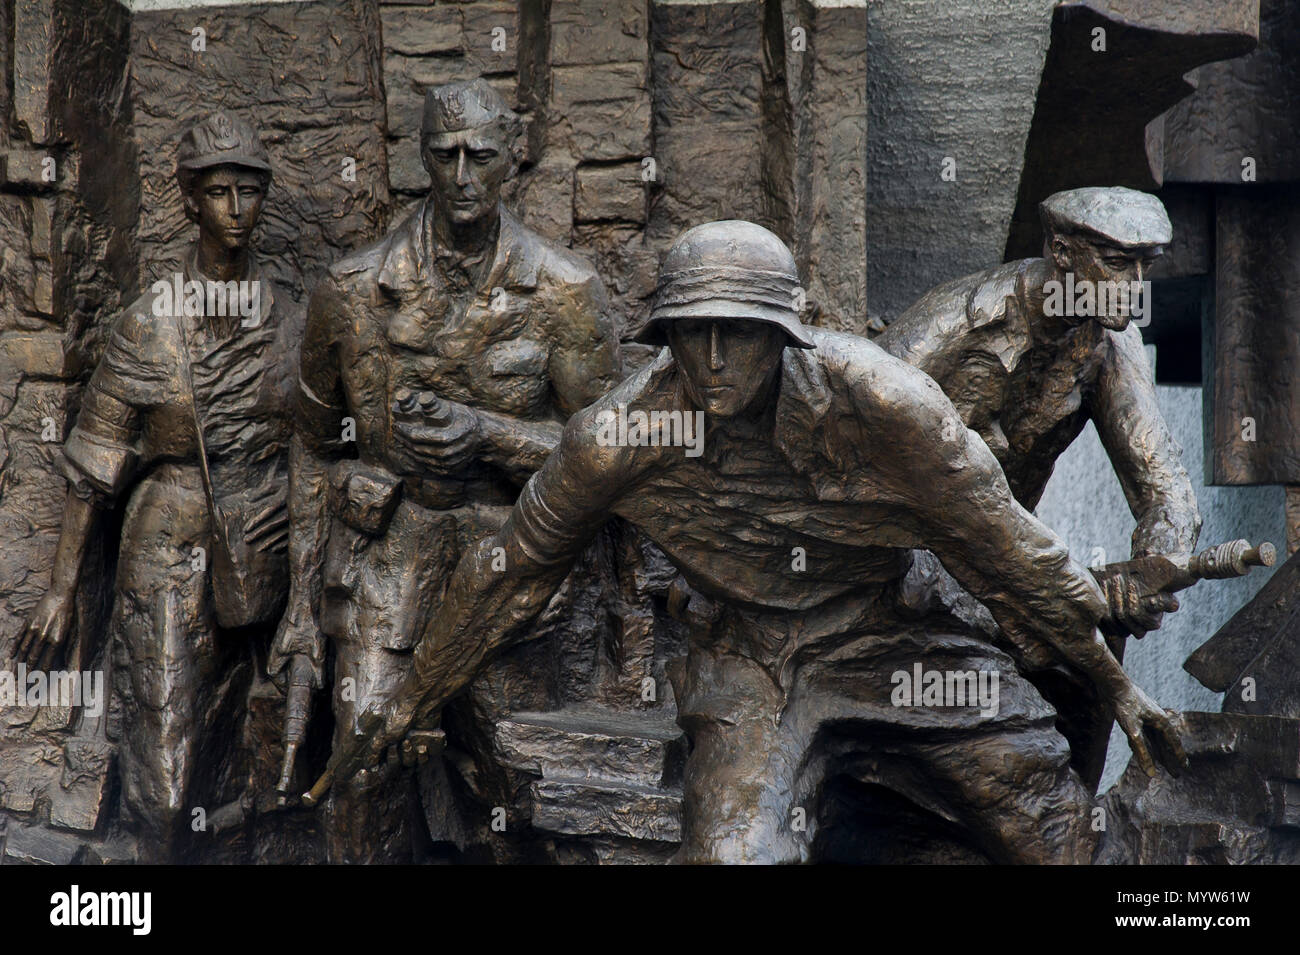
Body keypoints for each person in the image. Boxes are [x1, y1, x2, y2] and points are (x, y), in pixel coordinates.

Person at [311, 220, 1186, 864]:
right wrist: (407, 696)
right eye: (695, 331)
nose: (717, 356)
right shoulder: (617, 436)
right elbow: (512, 569)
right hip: (749, 660)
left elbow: (1007, 546)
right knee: (730, 857)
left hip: (892, 636)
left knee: (1043, 813)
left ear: (787, 333)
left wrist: (1117, 686)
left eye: (741, 331)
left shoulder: (887, 406)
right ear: (667, 337)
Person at [268, 78, 623, 862]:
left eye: (481, 155)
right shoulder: (351, 291)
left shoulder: (566, 293)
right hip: (392, 557)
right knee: (362, 762)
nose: (462, 175)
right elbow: (312, 443)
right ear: (419, 158)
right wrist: (300, 609)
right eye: (444, 153)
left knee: (522, 783)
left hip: (520, 567)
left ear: (513, 160)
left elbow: (609, 456)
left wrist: (489, 435)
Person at [14, 112, 295, 862]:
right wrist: (60, 591)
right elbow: (94, 466)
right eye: (219, 192)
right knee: (166, 775)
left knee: (276, 750)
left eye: (250, 192)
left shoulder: (293, 319)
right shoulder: (148, 328)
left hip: (268, 538)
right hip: (168, 540)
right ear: (189, 201)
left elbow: (322, 443)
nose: (237, 210)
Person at [879, 186, 1201, 784]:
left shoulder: (1110, 341)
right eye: (1116, 262)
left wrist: (1156, 563)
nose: (1134, 285)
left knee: (1099, 630)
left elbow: (1163, 481)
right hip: (899, 565)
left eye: (1144, 266)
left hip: (1009, 568)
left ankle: (1076, 817)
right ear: (1059, 250)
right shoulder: (958, 323)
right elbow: (845, 434)